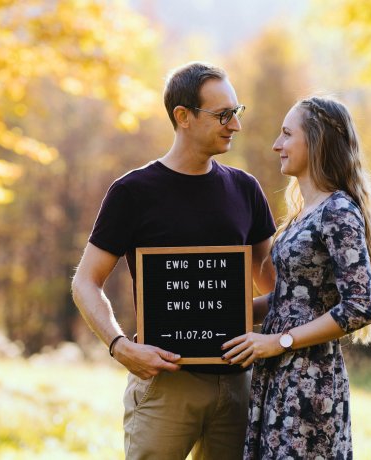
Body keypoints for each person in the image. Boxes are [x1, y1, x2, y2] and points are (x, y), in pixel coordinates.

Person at [71, 62, 277, 460]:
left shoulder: (245, 190)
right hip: (165, 387)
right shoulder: (133, 192)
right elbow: (85, 282)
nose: (234, 125)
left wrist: (230, 314)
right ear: (182, 116)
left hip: (239, 387)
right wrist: (118, 346)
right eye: (222, 115)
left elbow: (276, 291)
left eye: (237, 112)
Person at [222, 96, 371, 459]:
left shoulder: (338, 211)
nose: (277, 145)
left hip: (310, 381)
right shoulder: (306, 212)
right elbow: (293, 298)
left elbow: (360, 307)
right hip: (279, 374)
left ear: (316, 141)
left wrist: (280, 342)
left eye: (287, 134)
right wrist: (217, 316)